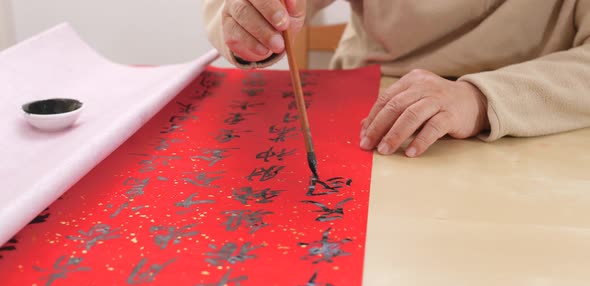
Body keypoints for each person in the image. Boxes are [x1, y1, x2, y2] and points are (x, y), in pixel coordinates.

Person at [203, 0, 590, 157]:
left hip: (533, 113)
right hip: (369, 102)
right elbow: (232, 10)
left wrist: (480, 97)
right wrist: (249, 18)